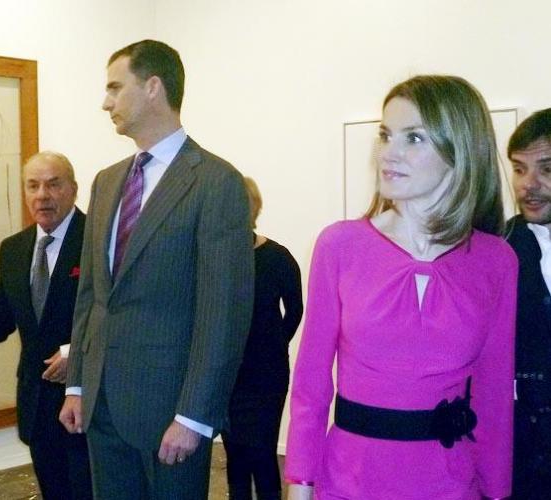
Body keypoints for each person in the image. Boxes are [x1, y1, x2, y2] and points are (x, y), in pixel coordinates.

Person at [285, 75, 517, 500]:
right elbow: (311, 383)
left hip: (450, 484)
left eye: (413, 138)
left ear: (459, 150)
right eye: (385, 135)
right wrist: (300, 484)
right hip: (350, 480)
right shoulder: (340, 245)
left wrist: (498, 491)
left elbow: (494, 393)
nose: (388, 153)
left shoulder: (495, 261)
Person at [58, 39, 254, 500]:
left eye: (114, 88)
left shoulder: (215, 182)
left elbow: (223, 315)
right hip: (102, 405)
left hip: (170, 411)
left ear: (152, 87)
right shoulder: (107, 182)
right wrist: (78, 383)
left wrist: (194, 417)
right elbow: (93, 296)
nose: (105, 102)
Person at [0, 151, 92, 500]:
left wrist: (76, 352)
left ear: (73, 189)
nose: (42, 195)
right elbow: (4, 311)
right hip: (37, 404)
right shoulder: (14, 249)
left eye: (53, 184)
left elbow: (115, 316)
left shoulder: (97, 241)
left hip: (88, 404)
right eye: (33, 186)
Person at [222, 177, 303, 500]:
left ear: (252, 208)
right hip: (227, 373)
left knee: (263, 451)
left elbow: (295, 309)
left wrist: (275, 343)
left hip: (267, 375)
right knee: (235, 455)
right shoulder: (218, 260)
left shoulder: (278, 257)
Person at [506, 108, 551, 499]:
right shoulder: (496, 249)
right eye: (519, 169)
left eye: (546, 169)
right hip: (521, 458)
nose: (528, 185)